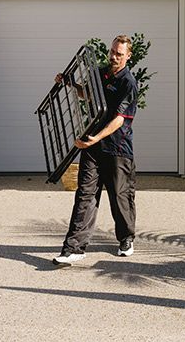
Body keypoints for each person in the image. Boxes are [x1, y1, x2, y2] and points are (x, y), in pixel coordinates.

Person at [53, 35, 138, 265]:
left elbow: (119, 119)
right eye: (112, 52)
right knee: (85, 194)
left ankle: (126, 238)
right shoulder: (101, 74)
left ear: (128, 56)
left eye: (119, 54)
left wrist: (95, 138)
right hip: (93, 145)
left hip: (117, 148)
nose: (113, 57)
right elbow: (89, 95)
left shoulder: (128, 83)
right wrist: (70, 83)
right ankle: (74, 248)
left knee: (120, 196)